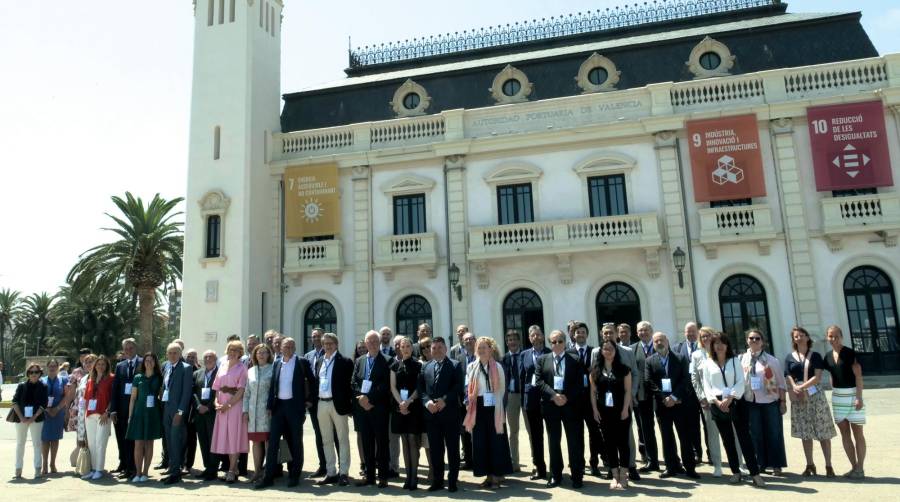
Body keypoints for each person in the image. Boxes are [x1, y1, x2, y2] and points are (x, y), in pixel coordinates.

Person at [701, 333, 765, 487]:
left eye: (722, 343)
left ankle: (755, 473)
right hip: (717, 404)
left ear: (727, 345)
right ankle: (735, 472)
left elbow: (740, 382)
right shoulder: (708, 363)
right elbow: (707, 386)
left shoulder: (735, 360)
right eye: (716, 343)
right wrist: (716, 401)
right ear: (712, 346)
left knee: (744, 439)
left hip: (736, 402)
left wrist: (729, 399)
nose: (719, 346)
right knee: (727, 440)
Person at [256, 337, 314, 489]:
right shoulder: (276, 363)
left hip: (295, 408)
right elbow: (273, 387)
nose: (288, 348)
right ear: (280, 348)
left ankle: (294, 475)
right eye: (285, 346)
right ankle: (268, 476)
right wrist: (269, 406)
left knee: (295, 441)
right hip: (278, 407)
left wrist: (309, 400)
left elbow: (313, 381)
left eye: (291, 346)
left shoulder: (302, 362)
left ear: (294, 348)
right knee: (273, 442)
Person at [645, 332, 700, 479]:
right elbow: (649, 382)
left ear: (667, 341)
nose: (659, 343)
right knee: (667, 437)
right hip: (662, 406)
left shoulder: (680, 358)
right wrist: (664, 398)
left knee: (685, 436)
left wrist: (674, 396)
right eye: (656, 341)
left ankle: (690, 468)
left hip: (680, 403)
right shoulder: (650, 361)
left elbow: (686, 379)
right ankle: (671, 467)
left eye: (661, 340)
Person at [535, 329, 585, 488]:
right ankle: (556, 475)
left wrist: (566, 397)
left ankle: (577, 476)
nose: (556, 344)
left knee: (574, 442)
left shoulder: (576, 359)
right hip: (551, 407)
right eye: (553, 342)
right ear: (550, 344)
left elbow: (580, 383)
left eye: (560, 341)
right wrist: (553, 396)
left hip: (571, 407)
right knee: (553, 442)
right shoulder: (543, 359)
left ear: (565, 342)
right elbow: (539, 382)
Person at [785, 326, 836, 477]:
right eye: (796, 336)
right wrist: (795, 387)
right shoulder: (789, 357)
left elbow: (818, 377)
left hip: (815, 396)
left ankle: (828, 466)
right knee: (805, 432)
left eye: (801, 335)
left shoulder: (815, 356)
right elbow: (788, 375)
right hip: (799, 397)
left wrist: (802, 387)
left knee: (823, 431)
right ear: (793, 340)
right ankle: (810, 464)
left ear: (807, 337)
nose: (799, 338)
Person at [463, 336, 513, 489]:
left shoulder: (497, 366)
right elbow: (467, 386)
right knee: (481, 442)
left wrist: (498, 405)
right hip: (477, 406)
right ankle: (488, 476)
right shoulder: (472, 367)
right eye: (479, 347)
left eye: (484, 347)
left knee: (495, 442)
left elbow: (502, 389)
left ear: (491, 349)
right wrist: (468, 400)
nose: (481, 350)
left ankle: (497, 476)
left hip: (493, 407)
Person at [594, 322, 641, 481]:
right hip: (605, 405)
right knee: (609, 436)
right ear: (602, 334)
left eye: (611, 333)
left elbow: (635, 373)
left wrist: (632, 394)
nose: (608, 335)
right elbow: (595, 375)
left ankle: (630, 466)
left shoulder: (627, 352)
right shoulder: (596, 352)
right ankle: (612, 467)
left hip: (624, 401)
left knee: (627, 436)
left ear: (616, 334)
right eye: (605, 333)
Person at [418, 336, 463, 493]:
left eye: (439, 348)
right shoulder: (425, 367)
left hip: (450, 414)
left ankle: (452, 481)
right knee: (436, 450)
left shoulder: (455, 365)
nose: (436, 351)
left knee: (452, 449)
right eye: (433, 348)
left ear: (445, 348)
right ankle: (437, 481)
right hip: (432, 415)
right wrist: (427, 402)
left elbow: (458, 387)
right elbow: (421, 389)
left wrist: (445, 400)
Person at [740, 329, 787, 476]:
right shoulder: (741, 359)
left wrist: (783, 401)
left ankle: (776, 465)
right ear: (747, 340)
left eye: (757, 338)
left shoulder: (771, 360)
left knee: (773, 433)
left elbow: (781, 383)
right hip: (750, 401)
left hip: (770, 401)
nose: (754, 341)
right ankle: (760, 463)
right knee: (756, 434)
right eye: (751, 338)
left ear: (763, 341)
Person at [823, 325, 867, 479]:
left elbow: (859, 376)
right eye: (830, 336)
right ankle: (854, 467)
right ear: (827, 337)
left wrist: (859, 397)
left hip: (853, 395)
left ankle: (860, 468)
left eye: (836, 336)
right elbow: (831, 373)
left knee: (858, 433)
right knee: (845, 434)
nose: (833, 339)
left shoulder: (850, 353)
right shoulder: (827, 356)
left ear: (841, 337)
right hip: (838, 397)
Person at [590, 339, 633, 490]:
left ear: (616, 351)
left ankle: (624, 475)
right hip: (603, 413)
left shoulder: (624, 369)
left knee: (623, 444)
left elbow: (628, 391)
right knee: (609, 444)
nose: (608, 352)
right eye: (605, 349)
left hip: (621, 412)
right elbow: (593, 392)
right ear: (601, 351)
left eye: (611, 349)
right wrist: (595, 410)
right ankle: (615, 475)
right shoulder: (595, 370)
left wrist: (625, 409)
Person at [352, 330, 393, 488]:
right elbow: (354, 382)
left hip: (379, 408)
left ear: (379, 343)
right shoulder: (360, 360)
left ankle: (383, 476)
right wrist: (362, 399)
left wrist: (370, 399)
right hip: (363, 408)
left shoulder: (388, 360)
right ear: (366, 343)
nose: (373, 344)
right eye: (370, 342)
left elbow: (385, 384)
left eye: (376, 341)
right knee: (367, 442)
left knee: (382, 443)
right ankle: (369, 476)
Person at [314, 332, 354, 487]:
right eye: (325, 344)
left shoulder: (345, 362)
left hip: (338, 405)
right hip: (322, 404)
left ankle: (343, 472)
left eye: (330, 343)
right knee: (326, 440)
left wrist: (349, 406)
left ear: (336, 344)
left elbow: (350, 386)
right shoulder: (319, 361)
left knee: (343, 439)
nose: (327, 346)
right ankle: (330, 472)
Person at [211, 340, 249, 484]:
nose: (233, 352)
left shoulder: (242, 368)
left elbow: (241, 391)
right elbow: (217, 388)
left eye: (236, 350)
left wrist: (228, 405)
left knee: (234, 438)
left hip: (234, 408)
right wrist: (216, 402)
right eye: (230, 349)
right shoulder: (222, 366)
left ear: (240, 353)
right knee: (225, 438)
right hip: (221, 409)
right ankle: (232, 468)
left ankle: (232, 470)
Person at [690, 327, 727, 476]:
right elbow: (694, 378)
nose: (705, 338)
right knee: (712, 434)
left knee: (732, 433)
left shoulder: (721, 351)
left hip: (725, 398)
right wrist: (702, 398)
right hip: (707, 401)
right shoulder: (696, 355)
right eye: (702, 336)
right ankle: (717, 465)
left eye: (708, 335)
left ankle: (739, 463)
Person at [389, 336, 424, 489]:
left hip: (413, 407)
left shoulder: (418, 365)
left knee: (412, 441)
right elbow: (393, 387)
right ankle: (408, 476)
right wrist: (401, 403)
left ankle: (414, 477)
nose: (405, 349)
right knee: (404, 440)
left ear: (412, 347)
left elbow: (419, 387)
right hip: (400, 408)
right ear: (399, 348)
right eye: (402, 346)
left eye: (408, 346)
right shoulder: (394, 365)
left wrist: (408, 401)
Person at [159, 343, 195, 485]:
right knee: (169, 441)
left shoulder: (186, 368)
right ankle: (173, 468)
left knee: (176, 440)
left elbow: (187, 393)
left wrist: (180, 412)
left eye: (175, 353)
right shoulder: (166, 367)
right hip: (166, 408)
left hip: (177, 411)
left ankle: (176, 473)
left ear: (180, 354)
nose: (172, 355)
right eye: (170, 352)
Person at [125, 352, 163, 483]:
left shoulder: (159, 377)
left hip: (153, 414)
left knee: (149, 443)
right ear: (143, 362)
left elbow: (161, 395)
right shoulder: (138, 377)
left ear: (155, 363)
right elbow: (133, 398)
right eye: (147, 360)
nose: (149, 362)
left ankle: (146, 472)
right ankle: (138, 472)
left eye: (151, 360)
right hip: (138, 414)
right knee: (138, 444)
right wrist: (130, 416)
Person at [571, 321, 602, 476]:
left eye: (583, 332)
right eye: (578, 332)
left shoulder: (594, 352)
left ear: (587, 334)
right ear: (574, 335)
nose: (580, 334)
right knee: (577, 434)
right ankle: (580, 464)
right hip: (575, 400)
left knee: (594, 432)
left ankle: (594, 463)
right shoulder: (569, 353)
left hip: (591, 399)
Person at [674, 322, 705, 466]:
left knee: (707, 425)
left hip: (704, 393)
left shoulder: (704, 347)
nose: (691, 334)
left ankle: (711, 454)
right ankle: (696, 453)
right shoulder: (677, 348)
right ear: (684, 333)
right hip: (687, 394)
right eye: (688, 332)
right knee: (692, 426)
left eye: (693, 331)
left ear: (697, 332)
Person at [520, 324, 548, 480]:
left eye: (538, 334)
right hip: (531, 400)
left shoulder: (550, 352)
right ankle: (539, 467)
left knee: (552, 435)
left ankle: (556, 467)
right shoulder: (524, 355)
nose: (536, 337)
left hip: (548, 400)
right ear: (529, 338)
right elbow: (521, 377)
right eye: (533, 335)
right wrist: (523, 400)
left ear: (543, 336)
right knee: (536, 436)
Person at [631, 321, 660, 472]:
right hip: (641, 395)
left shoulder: (659, 345)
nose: (643, 333)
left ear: (651, 330)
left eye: (646, 330)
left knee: (666, 427)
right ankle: (652, 460)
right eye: (640, 331)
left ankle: (673, 459)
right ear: (637, 333)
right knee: (646, 429)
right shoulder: (632, 349)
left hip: (660, 395)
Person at [111, 338, 141, 480]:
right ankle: (124, 465)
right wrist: (113, 409)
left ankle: (134, 467)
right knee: (122, 438)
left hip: (138, 408)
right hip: (122, 410)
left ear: (135, 348)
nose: (128, 350)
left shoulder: (143, 362)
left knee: (135, 440)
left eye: (131, 348)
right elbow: (115, 389)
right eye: (126, 348)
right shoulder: (120, 366)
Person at [244, 343, 274, 482]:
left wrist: (273, 407)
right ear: (254, 355)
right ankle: (257, 471)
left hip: (267, 412)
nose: (261, 355)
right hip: (253, 413)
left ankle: (268, 472)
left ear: (269, 355)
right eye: (259, 352)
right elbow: (246, 393)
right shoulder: (250, 371)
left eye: (264, 352)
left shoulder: (273, 369)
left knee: (268, 442)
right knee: (255, 442)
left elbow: (275, 391)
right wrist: (245, 411)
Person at [13, 363, 48, 479]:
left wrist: (33, 418)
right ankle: (18, 469)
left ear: (40, 374)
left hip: (37, 419)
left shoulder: (43, 386)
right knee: (20, 443)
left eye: (36, 372)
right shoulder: (21, 386)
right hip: (21, 419)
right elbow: (15, 402)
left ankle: (38, 469)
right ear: (28, 373)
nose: (33, 374)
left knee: (37, 444)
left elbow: (44, 404)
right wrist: (22, 417)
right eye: (31, 372)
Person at [83, 355, 114, 481]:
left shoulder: (111, 378)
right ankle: (93, 469)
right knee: (92, 444)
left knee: (100, 443)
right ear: (95, 366)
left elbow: (113, 398)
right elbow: (86, 398)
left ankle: (99, 469)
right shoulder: (91, 380)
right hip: (90, 415)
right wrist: (85, 413)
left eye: (103, 364)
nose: (100, 366)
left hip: (103, 415)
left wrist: (107, 412)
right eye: (98, 364)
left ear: (107, 366)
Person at [304, 328, 329, 478]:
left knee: (331, 434)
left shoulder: (328, 355)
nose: (316, 339)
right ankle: (323, 466)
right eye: (314, 336)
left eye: (319, 336)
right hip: (314, 402)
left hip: (327, 399)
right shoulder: (307, 356)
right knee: (319, 435)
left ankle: (337, 467)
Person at [192, 350, 221, 481]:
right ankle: (207, 467)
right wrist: (198, 406)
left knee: (213, 441)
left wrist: (208, 407)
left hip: (213, 412)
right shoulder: (197, 373)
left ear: (216, 359)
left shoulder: (220, 373)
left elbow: (219, 393)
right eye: (206, 357)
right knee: (203, 441)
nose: (208, 359)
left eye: (211, 357)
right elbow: (193, 392)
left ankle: (213, 469)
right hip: (199, 413)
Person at [501, 330, 525, 472]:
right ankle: (514, 462)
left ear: (519, 341)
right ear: (507, 342)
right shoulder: (504, 359)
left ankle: (536, 462)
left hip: (525, 395)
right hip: (511, 396)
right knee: (513, 431)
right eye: (509, 340)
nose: (512, 342)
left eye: (515, 339)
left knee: (530, 430)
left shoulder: (525, 356)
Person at [41, 358, 69, 475]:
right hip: (44, 412)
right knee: (45, 438)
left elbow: (66, 397)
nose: (52, 368)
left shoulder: (63, 380)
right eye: (50, 366)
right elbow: (38, 397)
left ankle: (53, 463)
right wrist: (47, 409)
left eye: (54, 366)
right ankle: (44, 464)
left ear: (58, 368)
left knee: (55, 439)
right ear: (47, 367)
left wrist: (57, 409)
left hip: (58, 412)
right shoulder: (42, 381)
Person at [69, 354, 95, 475]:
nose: (88, 364)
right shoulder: (83, 378)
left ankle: (92, 466)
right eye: (86, 362)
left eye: (91, 361)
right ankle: (82, 465)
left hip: (92, 413)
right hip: (80, 412)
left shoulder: (98, 377)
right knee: (81, 440)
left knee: (91, 441)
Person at [454, 331, 477, 470]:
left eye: (470, 339)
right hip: (463, 401)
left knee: (478, 431)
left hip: (478, 399)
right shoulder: (459, 358)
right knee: (465, 432)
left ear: (475, 340)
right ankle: (469, 460)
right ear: (462, 342)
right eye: (466, 340)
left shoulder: (480, 355)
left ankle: (479, 460)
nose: (468, 342)